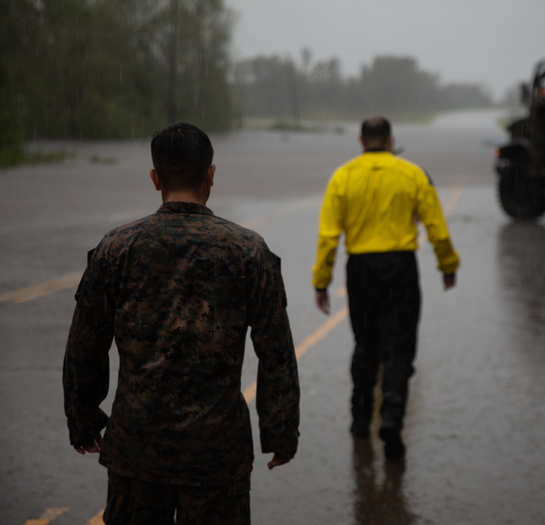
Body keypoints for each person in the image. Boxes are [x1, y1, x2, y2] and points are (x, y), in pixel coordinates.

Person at [63, 122, 300, 525]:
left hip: (137, 447)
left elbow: (86, 343)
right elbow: (275, 350)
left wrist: (82, 417)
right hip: (216, 451)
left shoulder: (117, 248)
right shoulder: (247, 251)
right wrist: (279, 431)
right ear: (211, 174)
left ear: (155, 178)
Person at [312, 116, 459, 459]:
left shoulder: (343, 176)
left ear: (362, 141)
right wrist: (447, 265)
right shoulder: (412, 174)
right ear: (390, 140)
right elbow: (436, 226)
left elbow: (329, 236)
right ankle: (391, 417)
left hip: (360, 269)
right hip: (400, 267)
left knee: (365, 344)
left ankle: (360, 419)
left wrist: (322, 281)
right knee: (399, 346)